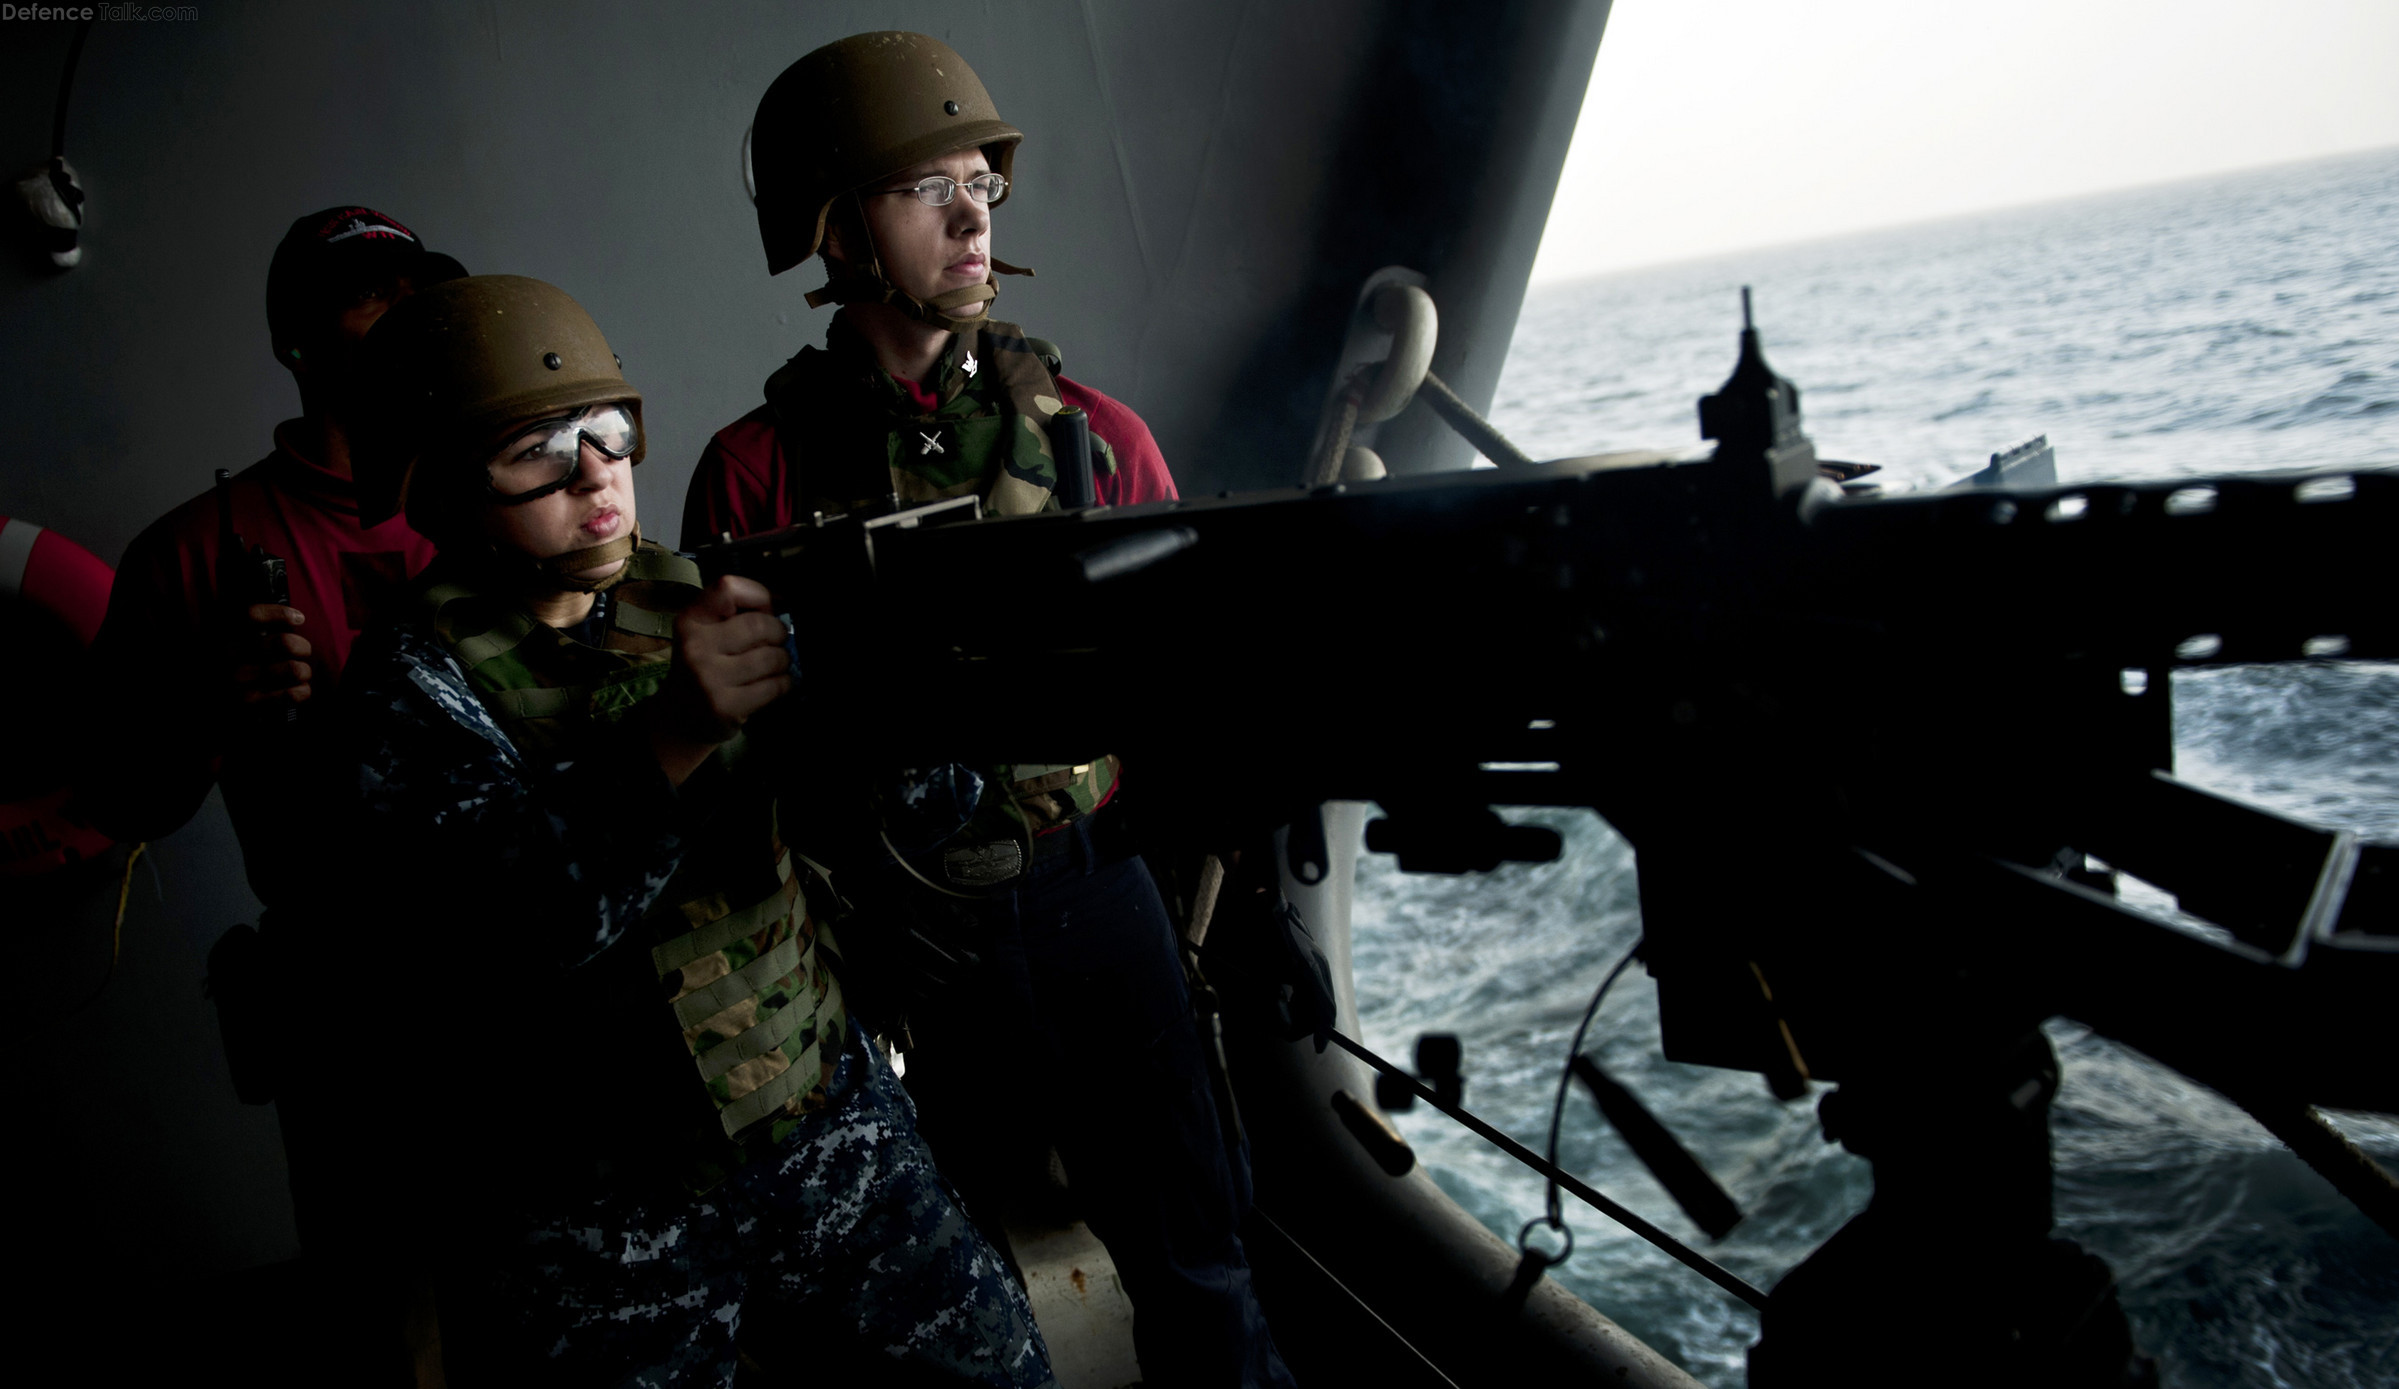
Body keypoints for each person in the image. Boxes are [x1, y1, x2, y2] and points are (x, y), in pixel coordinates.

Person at [685, 33, 1292, 1389]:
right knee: (948, 1303)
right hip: (907, 943)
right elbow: (742, 754)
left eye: (981, 185)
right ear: (835, 233)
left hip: (1091, 895)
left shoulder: (1094, 433)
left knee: (1200, 1266)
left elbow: (1187, 692)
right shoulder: (754, 474)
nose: (972, 216)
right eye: (926, 189)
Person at [331, 273, 1054, 1388]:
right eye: (538, 450)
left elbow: (933, 821)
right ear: (439, 489)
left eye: (609, 434)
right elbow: (519, 935)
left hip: (817, 1118)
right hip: (595, 1206)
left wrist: (891, 697)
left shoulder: (705, 596)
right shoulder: (407, 687)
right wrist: (673, 732)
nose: (595, 474)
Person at [75, 204, 466, 1381]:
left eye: (416, 287)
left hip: (539, 977)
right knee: (400, 1330)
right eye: (367, 293)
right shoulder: (194, 552)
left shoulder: (507, 500)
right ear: (296, 343)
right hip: (353, 1015)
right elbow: (119, 795)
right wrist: (210, 703)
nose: (401, 312)